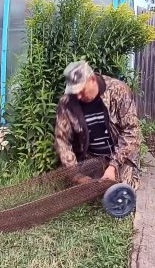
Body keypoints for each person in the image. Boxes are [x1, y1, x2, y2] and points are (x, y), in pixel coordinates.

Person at [54, 61, 141, 190]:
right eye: (74, 91)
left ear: (92, 79)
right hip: (91, 158)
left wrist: (114, 165)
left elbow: (132, 132)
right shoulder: (67, 103)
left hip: (120, 158)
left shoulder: (119, 91)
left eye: (81, 90)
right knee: (87, 190)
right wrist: (75, 175)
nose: (77, 96)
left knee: (119, 192)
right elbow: (62, 140)